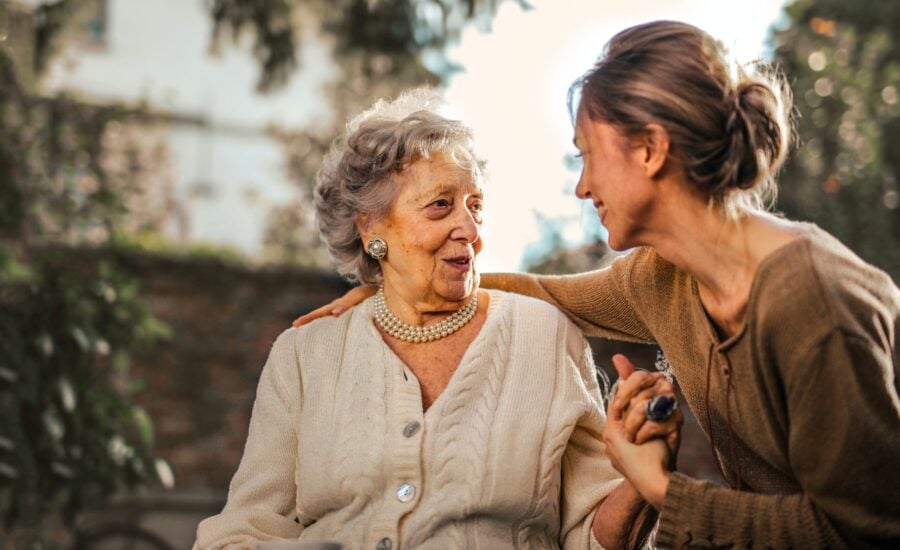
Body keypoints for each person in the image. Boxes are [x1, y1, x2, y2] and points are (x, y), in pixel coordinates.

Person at [294, 21, 900, 548]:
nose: (582, 187)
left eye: (587, 155)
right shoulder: (662, 277)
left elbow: (864, 530)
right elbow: (545, 293)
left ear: (651, 150)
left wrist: (659, 486)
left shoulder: (812, 301)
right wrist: (397, 287)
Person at [195, 90, 680, 549]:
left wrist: (642, 479)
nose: (469, 230)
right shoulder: (304, 355)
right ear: (371, 227)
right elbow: (246, 529)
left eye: (476, 207)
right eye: (441, 206)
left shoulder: (546, 337)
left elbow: (593, 538)